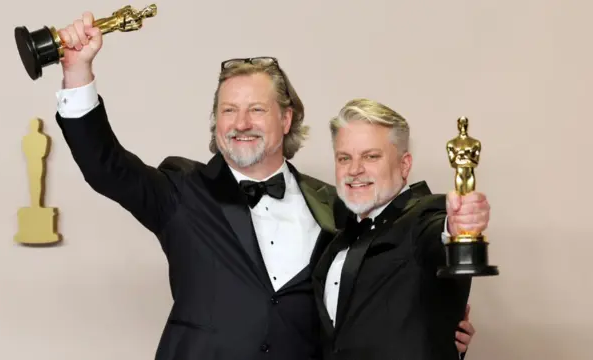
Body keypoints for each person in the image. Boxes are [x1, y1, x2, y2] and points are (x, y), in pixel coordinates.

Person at [52, 11, 476, 360]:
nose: (240, 124)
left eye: (256, 109)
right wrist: (78, 71)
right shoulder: (181, 191)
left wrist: (437, 326)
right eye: (228, 110)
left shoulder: (337, 205)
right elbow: (105, 166)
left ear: (286, 119)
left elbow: (378, 291)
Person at [313, 98, 489, 359]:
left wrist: (457, 228)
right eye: (344, 158)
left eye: (371, 156)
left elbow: (437, 236)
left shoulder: (425, 215)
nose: (354, 170)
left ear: (404, 165)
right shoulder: (335, 237)